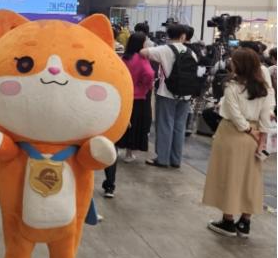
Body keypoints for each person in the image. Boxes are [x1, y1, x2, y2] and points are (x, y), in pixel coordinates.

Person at [202, 48, 274, 237]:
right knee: (250, 179)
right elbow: (266, 116)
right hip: (255, 137)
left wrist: (249, 130)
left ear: (239, 65)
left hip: (231, 134)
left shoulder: (232, 86)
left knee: (229, 177)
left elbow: (234, 114)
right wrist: (261, 138)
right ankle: (245, 222)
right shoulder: (264, 88)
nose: (230, 63)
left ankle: (228, 221)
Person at [140, 24, 199, 168]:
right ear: (183, 36)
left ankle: (162, 159)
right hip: (185, 95)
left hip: (166, 93)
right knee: (179, 127)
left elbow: (143, 52)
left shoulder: (164, 49)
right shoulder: (191, 52)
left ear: (168, 35)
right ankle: (175, 160)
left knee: (165, 125)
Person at [117, 33, 155, 163]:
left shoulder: (124, 58)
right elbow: (149, 74)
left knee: (122, 123)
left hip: (124, 95)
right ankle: (129, 154)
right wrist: (147, 85)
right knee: (134, 125)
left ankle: (116, 148)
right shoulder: (141, 58)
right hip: (138, 97)